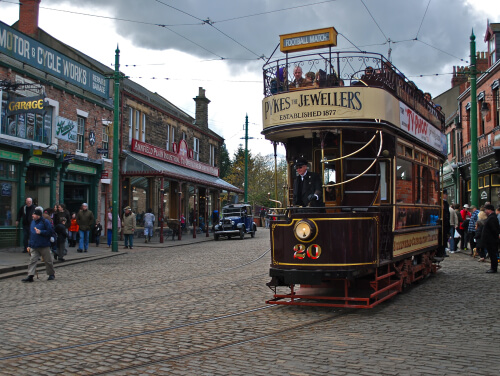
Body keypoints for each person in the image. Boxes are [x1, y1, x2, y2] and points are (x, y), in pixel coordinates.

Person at [21, 207, 55, 282]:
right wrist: (29, 245)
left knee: (48, 261)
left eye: (34, 214)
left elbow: (50, 232)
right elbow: (31, 234)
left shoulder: (45, 222)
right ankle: (30, 276)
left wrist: (41, 232)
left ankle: (51, 274)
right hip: (34, 245)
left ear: (38, 215)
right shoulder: (33, 222)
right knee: (32, 261)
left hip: (44, 245)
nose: (32, 215)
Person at [481, 204, 500, 273]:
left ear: (489, 210)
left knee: (492, 254)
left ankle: (494, 268)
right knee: (491, 254)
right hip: (490, 239)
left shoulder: (492, 218)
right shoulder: (491, 217)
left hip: (491, 240)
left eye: (486, 210)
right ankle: (493, 267)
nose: (485, 211)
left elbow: (494, 229)